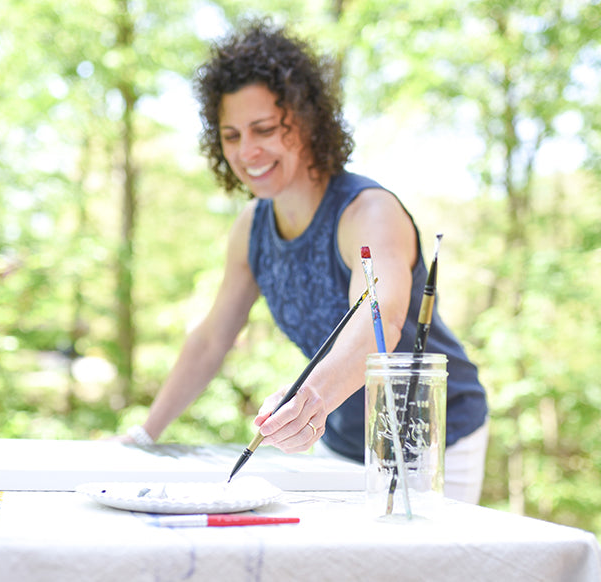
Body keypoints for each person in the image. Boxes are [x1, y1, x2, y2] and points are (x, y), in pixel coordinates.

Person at [122, 19, 489, 504]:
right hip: (341, 439)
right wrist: (143, 437)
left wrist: (309, 400)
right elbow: (212, 339)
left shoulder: (368, 212)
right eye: (231, 135)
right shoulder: (251, 228)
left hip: (431, 439)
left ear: (307, 120)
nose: (247, 151)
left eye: (265, 129)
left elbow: (383, 318)